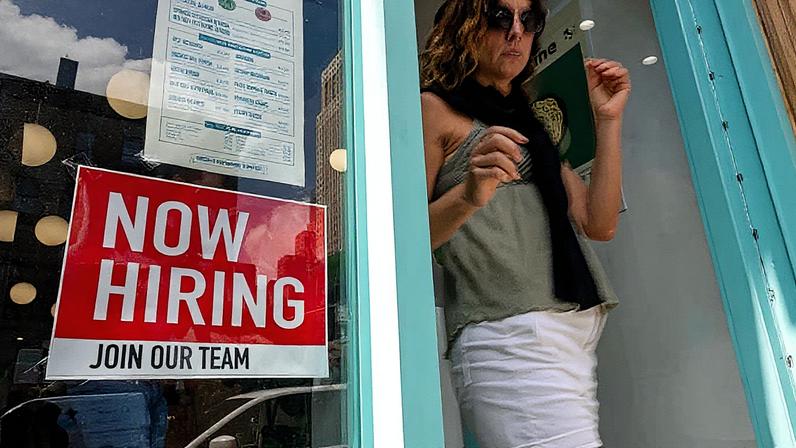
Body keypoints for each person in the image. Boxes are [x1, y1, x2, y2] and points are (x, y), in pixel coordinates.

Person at [420, 0, 630, 447]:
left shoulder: (526, 121)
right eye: (499, 16)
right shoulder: (434, 109)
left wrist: (607, 121)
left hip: (571, 329)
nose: (516, 31)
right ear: (464, 26)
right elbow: (407, 238)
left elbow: (599, 222)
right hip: (511, 334)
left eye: (529, 20)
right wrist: (470, 194)